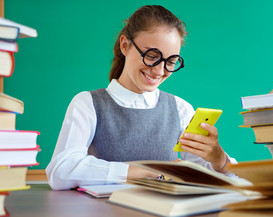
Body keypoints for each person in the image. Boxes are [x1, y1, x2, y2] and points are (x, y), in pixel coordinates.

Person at [46, 5, 237, 190]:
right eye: (152, 55)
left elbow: (231, 181)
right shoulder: (88, 104)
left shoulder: (180, 109)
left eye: (171, 62)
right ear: (125, 45)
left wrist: (219, 159)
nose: (159, 71)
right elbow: (60, 171)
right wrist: (141, 172)